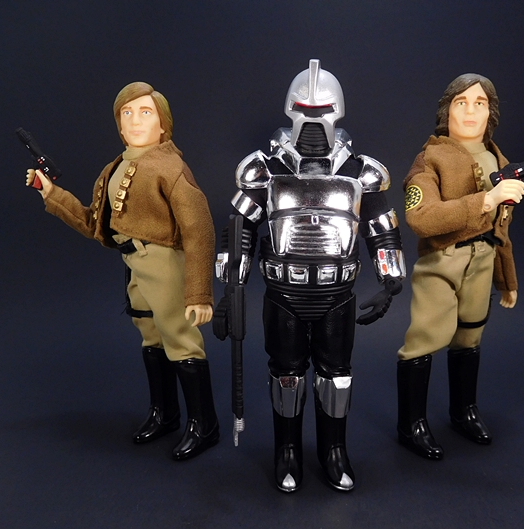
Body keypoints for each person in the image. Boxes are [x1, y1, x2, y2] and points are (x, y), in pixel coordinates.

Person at [215, 60, 405, 492]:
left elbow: (382, 228)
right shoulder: (265, 170)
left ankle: (334, 450)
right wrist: (231, 288)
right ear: (291, 110)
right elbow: (239, 229)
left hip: (337, 294)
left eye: (323, 111)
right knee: (287, 374)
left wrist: (391, 281)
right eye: (305, 110)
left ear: (339, 111)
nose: (314, 121)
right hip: (284, 294)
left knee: (337, 377)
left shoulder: (360, 172)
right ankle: (287, 452)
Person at [25, 81, 219, 461]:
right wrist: (51, 193)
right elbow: (94, 223)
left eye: (145, 112)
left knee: (181, 340)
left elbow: (200, 230)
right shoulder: (114, 168)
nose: (134, 120)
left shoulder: (171, 168)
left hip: (164, 264)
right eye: (126, 113)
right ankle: (165, 413)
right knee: (151, 338)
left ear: (163, 123)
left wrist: (199, 293)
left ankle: (204, 424)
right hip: (134, 265)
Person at [397, 73, 524, 460]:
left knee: (470, 336)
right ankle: (410, 424)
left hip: (483, 261)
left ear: (491, 113)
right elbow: (421, 217)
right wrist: (486, 200)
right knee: (424, 339)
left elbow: (501, 228)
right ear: (447, 111)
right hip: (442, 262)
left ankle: (463, 410)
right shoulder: (430, 159)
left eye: (480, 103)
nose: (471, 111)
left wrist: (507, 279)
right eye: (461, 103)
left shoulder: (498, 159)